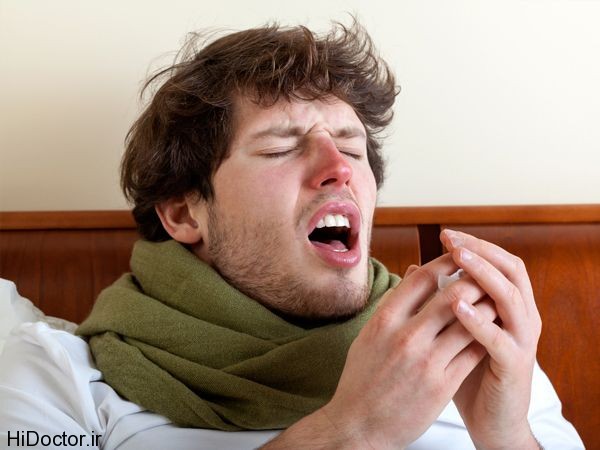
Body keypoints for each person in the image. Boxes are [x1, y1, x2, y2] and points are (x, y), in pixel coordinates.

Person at [0, 20, 584, 450]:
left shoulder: (480, 350)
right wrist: (352, 431)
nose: (339, 168)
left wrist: (506, 435)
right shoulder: (59, 378)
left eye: (351, 146)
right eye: (280, 147)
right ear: (183, 214)